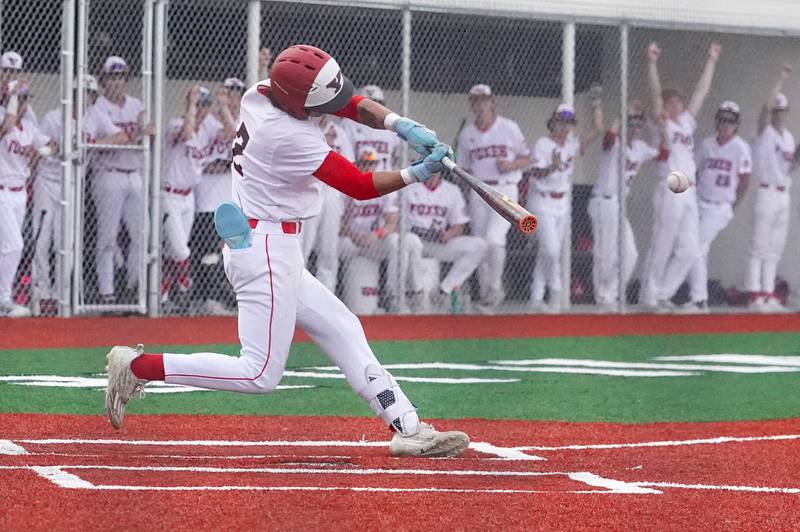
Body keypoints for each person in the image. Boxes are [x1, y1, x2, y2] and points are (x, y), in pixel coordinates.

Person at [105, 44, 469, 458]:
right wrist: (416, 173)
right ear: (297, 104)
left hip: (272, 242)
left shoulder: (261, 91)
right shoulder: (287, 136)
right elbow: (359, 186)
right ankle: (136, 368)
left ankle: (407, 427)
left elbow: (348, 102)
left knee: (344, 328)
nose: (332, 108)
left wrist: (400, 124)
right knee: (258, 373)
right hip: (265, 249)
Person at [31, 75, 129, 315]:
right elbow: (41, 149)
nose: (85, 97)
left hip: (73, 185)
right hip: (49, 181)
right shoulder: (55, 117)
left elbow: (122, 136)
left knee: (66, 242)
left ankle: (61, 293)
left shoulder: (95, 117)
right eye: (81, 92)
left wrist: (93, 144)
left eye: (90, 93)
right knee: (42, 240)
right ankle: (41, 294)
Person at [640, 41, 721, 312]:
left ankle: (663, 292)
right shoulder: (662, 122)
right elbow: (654, 93)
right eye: (670, 100)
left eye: (678, 101)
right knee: (663, 242)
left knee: (690, 248)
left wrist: (711, 60)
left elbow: (702, 91)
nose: (674, 104)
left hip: (690, 187)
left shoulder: (686, 121)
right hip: (672, 182)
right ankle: (650, 296)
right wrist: (652, 63)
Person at [456, 84, 531, 311]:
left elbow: (527, 158)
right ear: (472, 104)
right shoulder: (467, 133)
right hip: (480, 191)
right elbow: (463, 169)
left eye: (484, 100)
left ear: (492, 102)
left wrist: (511, 165)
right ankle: (487, 293)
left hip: (505, 189)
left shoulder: (508, 127)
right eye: (476, 100)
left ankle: (495, 288)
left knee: (494, 238)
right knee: (480, 243)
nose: (480, 104)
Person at [91, 56, 153, 304]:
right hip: (108, 174)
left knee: (141, 234)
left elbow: (149, 134)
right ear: (104, 80)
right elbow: (107, 143)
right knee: (108, 237)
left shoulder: (136, 105)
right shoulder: (97, 107)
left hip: (134, 174)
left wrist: (141, 132)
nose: (116, 81)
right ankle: (107, 292)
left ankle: (131, 288)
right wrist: (135, 133)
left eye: (120, 76)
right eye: (111, 76)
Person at [588, 99, 659, 311]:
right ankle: (603, 297)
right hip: (603, 201)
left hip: (619, 205)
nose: (634, 128)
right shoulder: (615, 143)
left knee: (630, 254)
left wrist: (651, 124)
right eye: (631, 123)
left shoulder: (640, 148)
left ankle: (611, 293)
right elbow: (609, 135)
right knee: (605, 253)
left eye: (637, 124)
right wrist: (624, 113)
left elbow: (663, 152)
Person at [527, 102, 597, 312]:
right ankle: (557, 292)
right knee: (551, 249)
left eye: (569, 123)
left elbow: (595, 131)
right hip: (541, 200)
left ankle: (537, 298)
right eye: (562, 122)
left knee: (548, 252)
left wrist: (595, 104)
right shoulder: (543, 144)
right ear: (554, 122)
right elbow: (534, 172)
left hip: (561, 202)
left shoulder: (571, 144)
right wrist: (552, 167)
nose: (565, 127)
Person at [686, 101, 752, 313]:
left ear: (736, 124)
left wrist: (733, 207)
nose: (726, 125)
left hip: (720, 207)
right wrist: (669, 186)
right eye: (722, 120)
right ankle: (699, 299)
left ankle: (697, 299)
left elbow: (745, 182)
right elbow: (693, 173)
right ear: (717, 121)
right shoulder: (706, 144)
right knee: (699, 251)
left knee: (694, 247)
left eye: (730, 121)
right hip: (700, 201)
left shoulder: (741, 148)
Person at [0, 81, 56, 317]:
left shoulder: (30, 128)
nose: (25, 104)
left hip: (19, 193)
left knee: (7, 247)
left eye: (25, 99)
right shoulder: (4, 117)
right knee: (14, 245)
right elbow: (6, 128)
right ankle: (3, 300)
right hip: (1, 191)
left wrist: (39, 152)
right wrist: (10, 98)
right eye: (20, 99)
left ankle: (4, 297)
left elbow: (54, 145)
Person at [160, 85, 218, 313]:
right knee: (181, 251)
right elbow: (185, 134)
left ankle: (163, 295)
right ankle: (184, 285)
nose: (203, 109)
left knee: (172, 251)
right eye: (199, 104)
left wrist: (222, 106)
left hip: (189, 197)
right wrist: (191, 105)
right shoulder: (177, 124)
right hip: (169, 195)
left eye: (205, 105)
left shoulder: (208, 131)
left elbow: (230, 135)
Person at [746, 64, 797, 312]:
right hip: (766, 192)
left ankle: (768, 294)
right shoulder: (765, 132)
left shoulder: (788, 137)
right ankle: (755, 295)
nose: (779, 114)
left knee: (775, 247)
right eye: (777, 111)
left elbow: (789, 167)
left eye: (783, 111)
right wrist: (781, 79)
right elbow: (764, 110)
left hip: (782, 193)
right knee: (759, 246)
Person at [403, 172, 487, 313]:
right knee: (411, 242)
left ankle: (444, 291)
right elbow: (397, 220)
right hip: (413, 240)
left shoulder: (451, 190)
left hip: (437, 243)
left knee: (479, 245)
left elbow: (459, 224)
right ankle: (417, 293)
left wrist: (448, 234)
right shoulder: (408, 188)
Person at [191, 78, 241, 315]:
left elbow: (234, 134)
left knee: (223, 250)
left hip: (228, 197)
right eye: (228, 92)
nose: (232, 97)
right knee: (204, 248)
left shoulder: (242, 120)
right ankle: (205, 297)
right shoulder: (208, 121)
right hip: (205, 194)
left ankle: (214, 296)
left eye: (236, 93)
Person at [338, 147, 401, 310]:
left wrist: (377, 234)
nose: (367, 168)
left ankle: (392, 293)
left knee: (394, 241)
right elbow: (336, 222)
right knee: (331, 245)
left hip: (373, 242)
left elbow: (392, 222)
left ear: (376, 164)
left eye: (371, 164)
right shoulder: (345, 183)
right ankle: (334, 294)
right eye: (364, 164)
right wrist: (352, 235)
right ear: (357, 164)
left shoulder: (383, 184)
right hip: (350, 242)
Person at [301, 114, 354, 293]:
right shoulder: (306, 127)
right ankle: (296, 293)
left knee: (329, 248)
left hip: (332, 191)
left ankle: (327, 293)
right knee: (303, 246)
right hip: (309, 190)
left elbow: (349, 166)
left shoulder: (339, 133)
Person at [339, 85, 401, 172]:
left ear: (383, 105)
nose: (372, 108)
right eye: (369, 103)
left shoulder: (391, 125)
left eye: (377, 103)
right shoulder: (348, 124)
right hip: (357, 176)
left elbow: (395, 157)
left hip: (385, 176)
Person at [0, 51, 38, 123]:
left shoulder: (20, 83)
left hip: (14, 111)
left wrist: (21, 91)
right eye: (6, 70)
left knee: (28, 110)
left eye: (15, 71)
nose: (10, 75)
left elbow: (25, 99)